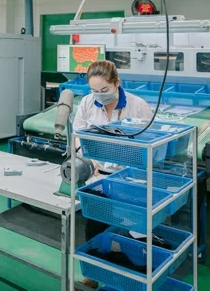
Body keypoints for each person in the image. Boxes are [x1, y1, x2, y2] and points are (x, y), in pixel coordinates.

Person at [72, 60, 154, 288]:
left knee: (136, 227)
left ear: (116, 83)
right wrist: (84, 157)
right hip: (98, 175)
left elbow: (150, 142)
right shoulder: (88, 103)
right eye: (94, 90)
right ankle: (94, 274)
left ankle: (138, 275)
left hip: (130, 176)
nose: (99, 95)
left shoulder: (138, 106)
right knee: (95, 224)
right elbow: (77, 134)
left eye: (104, 90)